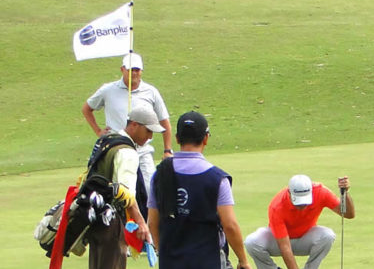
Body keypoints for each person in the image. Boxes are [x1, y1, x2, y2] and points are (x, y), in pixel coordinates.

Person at [147, 111, 252, 269]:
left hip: (171, 260)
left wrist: (162, 251)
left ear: (177, 138)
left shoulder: (159, 174)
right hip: (208, 260)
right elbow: (229, 225)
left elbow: (153, 222)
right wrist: (243, 260)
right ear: (206, 138)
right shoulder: (218, 179)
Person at [85, 105, 165, 269]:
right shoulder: (127, 152)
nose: (150, 136)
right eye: (148, 130)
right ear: (134, 125)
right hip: (113, 222)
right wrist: (141, 223)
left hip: (95, 217)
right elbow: (125, 193)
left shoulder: (107, 140)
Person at [82, 52, 173, 196]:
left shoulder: (151, 92)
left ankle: (147, 218)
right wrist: (98, 132)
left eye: (137, 70)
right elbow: (87, 108)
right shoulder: (108, 90)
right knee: (119, 192)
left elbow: (164, 121)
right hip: (115, 150)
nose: (134, 73)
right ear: (122, 69)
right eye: (130, 69)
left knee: (151, 192)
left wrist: (168, 150)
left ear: (142, 71)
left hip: (142, 150)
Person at [244, 174, 355, 269]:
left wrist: (346, 193)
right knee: (252, 242)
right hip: (279, 242)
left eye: (305, 201)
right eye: (298, 201)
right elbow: (285, 247)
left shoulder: (321, 192)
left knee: (328, 235)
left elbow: (349, 215)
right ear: (289, 193)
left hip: (305, 238)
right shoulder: (277, 206)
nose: (302, 205)